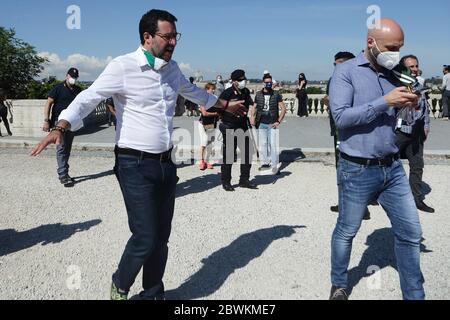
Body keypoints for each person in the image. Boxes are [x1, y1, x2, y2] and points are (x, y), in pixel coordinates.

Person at [31, 9, 245, 300]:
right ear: (147, 37)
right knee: (145, 236)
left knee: (161, 239)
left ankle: (153, 292)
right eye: (167, 37)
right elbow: (88, 97)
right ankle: (120, 284)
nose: (173, 42)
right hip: (133, 164)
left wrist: (224, 105)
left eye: (175, 36)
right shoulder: (123, 66)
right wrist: (61, 125)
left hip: (166, 163)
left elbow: (194, 92)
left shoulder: (172, 69)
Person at [329, 18, 425, 300]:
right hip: (356, 168)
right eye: (391, 47)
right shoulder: (345, 73)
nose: (396, 53)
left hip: (393, 167)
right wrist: (386, 102)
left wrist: (411, 105)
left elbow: (404, 115)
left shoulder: (396, 72)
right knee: (347, 230)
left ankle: (415, 294)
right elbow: (341, 118)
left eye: (400, 47)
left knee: (410, 233)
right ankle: (339, 283)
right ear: (371, 42)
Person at [325, 52, 371, 220]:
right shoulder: (365, 77)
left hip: (343, 130)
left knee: (344, 169)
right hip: (352, 130)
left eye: (337, 64)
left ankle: (350, 207)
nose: (335, 67)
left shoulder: (341, 78)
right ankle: (361, 205)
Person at [395, 55, 434, 213]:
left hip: (417, 133)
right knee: (386, 164)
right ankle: (378, 195)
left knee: (417, 166)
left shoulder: (419, 84)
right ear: (404, 70)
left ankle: (416, 199)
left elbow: (425, 108)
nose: (415, 69)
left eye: (416, 66)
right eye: (411, 67)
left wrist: (426, 125)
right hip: (399, 132)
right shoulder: (397, 85)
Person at [42, 67, 82, 187]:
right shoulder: (58, 89)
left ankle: (65, 172)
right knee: (61, 148)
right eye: (71, 76)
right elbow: (48, 103)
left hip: (71, 123)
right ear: (66, 76)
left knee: (67, 148)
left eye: (75, 77)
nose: (73, 79)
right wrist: (46, 120)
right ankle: (63, 174)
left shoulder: (78, 90)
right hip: (58, 123)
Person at [219, 69, 257, 192]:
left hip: (243, 126)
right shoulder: (227, 93)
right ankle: (226, 181)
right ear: (234, 81)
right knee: (229, 155)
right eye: (240, 80)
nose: (243, 82)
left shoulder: (245, 92)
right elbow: (218, 108)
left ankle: (244, 180)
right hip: (230, 126)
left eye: (243, 79)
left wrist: (252, 115)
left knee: (248, 152)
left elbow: (251, 105)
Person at [250, 73, 286, 174]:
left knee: (273, 145)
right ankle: (264, 163)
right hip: (261, 122)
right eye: (267, 82)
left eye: (270, 82)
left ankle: (274, 166)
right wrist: (252, 117)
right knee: (262, 144)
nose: (269, 84)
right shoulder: (258, 94)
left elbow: (283, 109)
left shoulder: (276, 94)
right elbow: (254, 107)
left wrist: (278, 121)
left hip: (272, 123)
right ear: (263, 83)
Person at [198, 83, 220, 170]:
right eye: (212, 89)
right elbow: (204, 113)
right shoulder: (202, 99)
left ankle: (208, 161)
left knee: (210, 143)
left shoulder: (215, 99)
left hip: (212, 123)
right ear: (207, 89)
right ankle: (202, 161)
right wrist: (216, 113)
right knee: (204, 142)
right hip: (203, 123)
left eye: (214, 89)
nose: (213, 90)